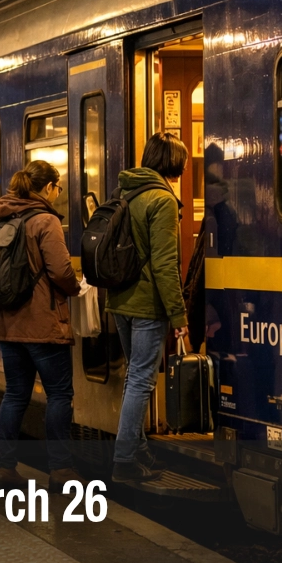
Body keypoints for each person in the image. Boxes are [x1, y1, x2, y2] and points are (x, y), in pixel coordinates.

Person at [0, 160, 83, 490]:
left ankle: (5, 467)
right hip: (41, 323)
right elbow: (59, 270)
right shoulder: (46, 220)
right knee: (59, 394)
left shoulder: (0, 218)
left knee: (15, 394)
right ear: (46, 188)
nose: (58, 194)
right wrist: (77, 287)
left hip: (5, 322)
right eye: (57, 188)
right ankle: (60, 470)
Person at [107, 132, 190, 484]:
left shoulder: (124, 192)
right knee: (141, 379)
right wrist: (179, 316)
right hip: (146, 305)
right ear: (174, 163)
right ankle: (124, 460)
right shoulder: (163, 201)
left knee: (133, 376)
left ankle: (138, 450)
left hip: (119, 300)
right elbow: (165, 265)